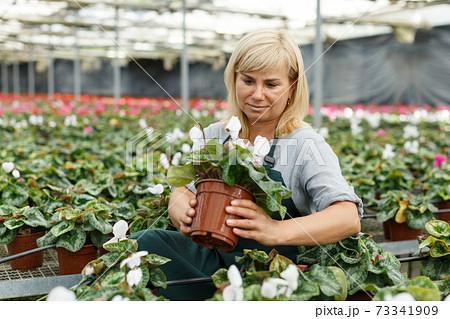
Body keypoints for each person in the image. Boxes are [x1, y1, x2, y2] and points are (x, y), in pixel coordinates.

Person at [130, 29, 363, 300]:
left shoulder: (306, 145)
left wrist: (276, 230)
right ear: (234, 79)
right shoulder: (215, 135)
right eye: (248, 81)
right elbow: (183, 189)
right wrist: (179, 208)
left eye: (272, 85)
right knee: (146, 243)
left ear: (292, 88)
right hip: (214, 257)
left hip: (274, 270)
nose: (257, 94)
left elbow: (348, 217)